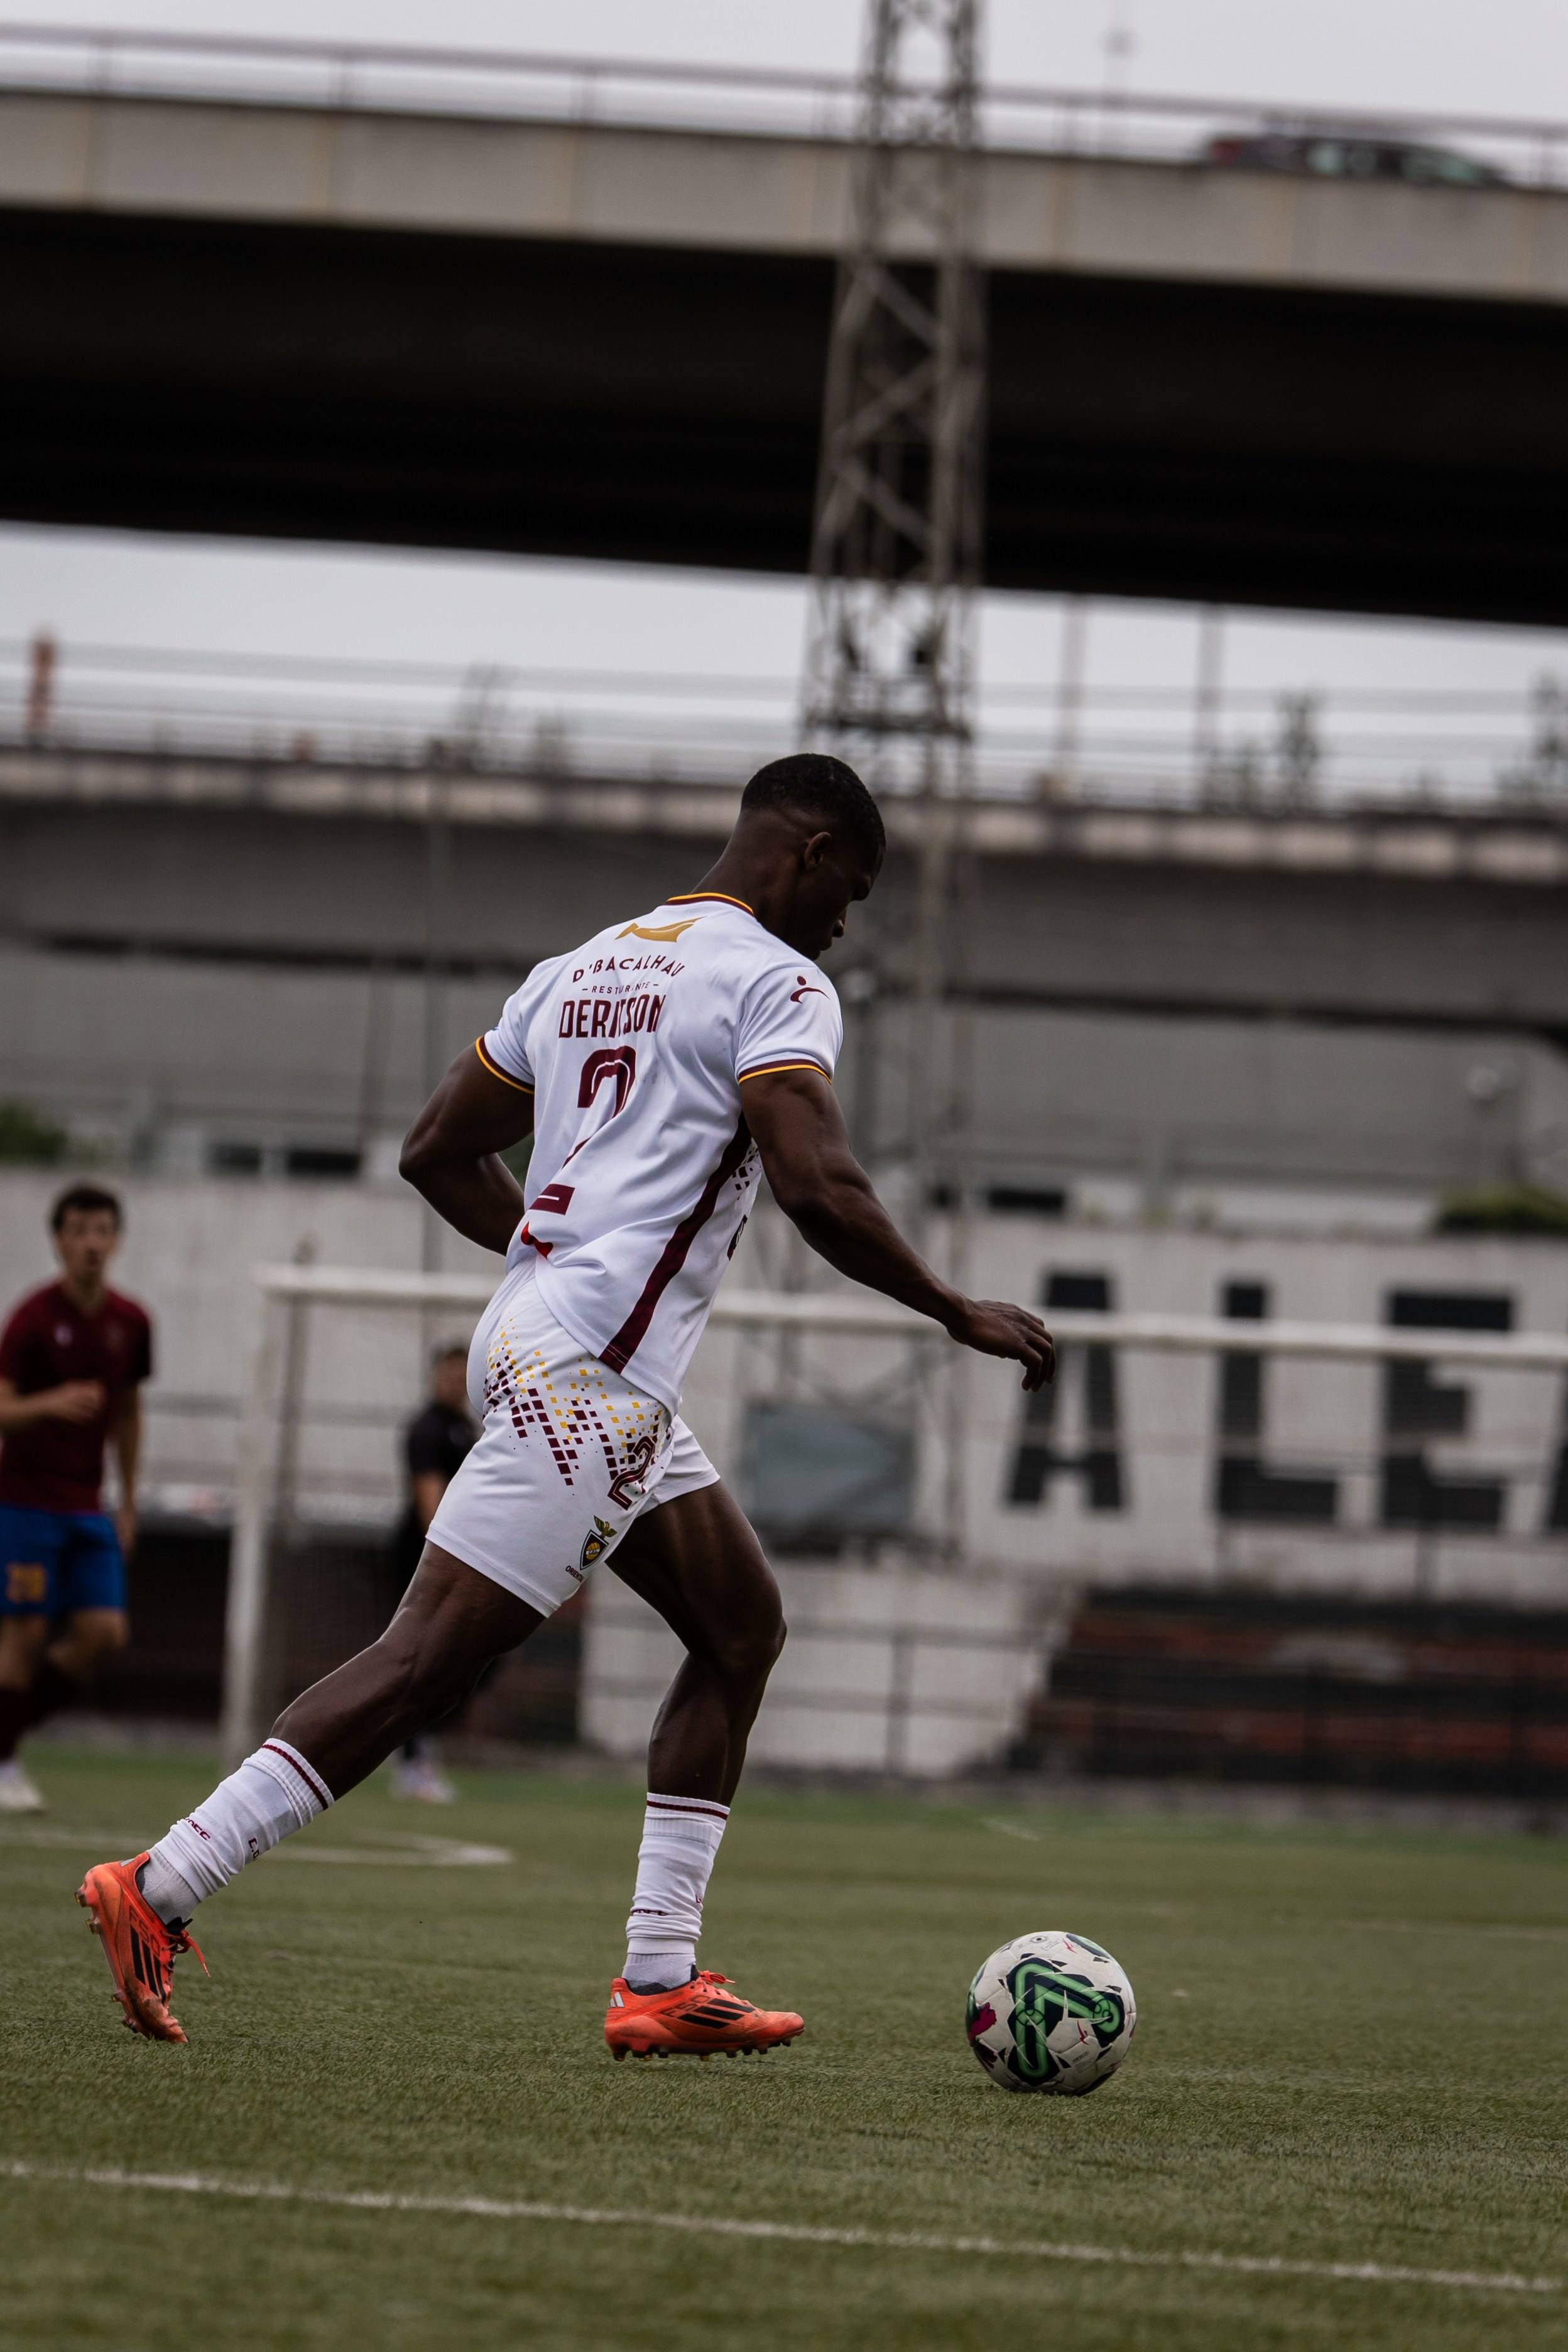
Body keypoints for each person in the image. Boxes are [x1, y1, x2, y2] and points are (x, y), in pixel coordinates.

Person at [76, 753, 1054, 2052]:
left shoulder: (583, 967)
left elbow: (435, 1149)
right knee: (427, 1658)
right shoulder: (774, 979)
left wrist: (556, 1263)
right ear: (813, 853)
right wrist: (952, 1306)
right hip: (588, 1377)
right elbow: (818, 1182)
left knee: (740, 1627)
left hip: (554, 1347)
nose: (844, 927)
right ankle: (161, 1883)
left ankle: (659, 1978)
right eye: (853, 894)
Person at [0, 1184, 151, 1813]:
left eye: (101, 1231)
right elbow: (3, 1409)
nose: (91, 1243)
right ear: (59, 1241)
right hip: (25, 1504)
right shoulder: (32, 1318)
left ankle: (3, 1736)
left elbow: (130, 1413)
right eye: (79, 1231)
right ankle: (5, 1764)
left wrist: (129, 1501)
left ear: (116, 1241)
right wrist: (50, 1404)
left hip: (89, 1508)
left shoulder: (130, 1322)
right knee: (26, 1633)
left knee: (105, 1634)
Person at [386, 1344, 476, 1803]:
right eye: (451, 1375)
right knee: (422, 1660)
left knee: (471, 1661)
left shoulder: (467, 1428)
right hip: (424, 1558)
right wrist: (449, 1561)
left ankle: (417, 1746)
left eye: (464, 1375)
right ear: (435, 1377)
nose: (458, 1383)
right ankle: (411, 1761)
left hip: (462, 1555)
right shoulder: (427, 1430)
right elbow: (430, 1502)